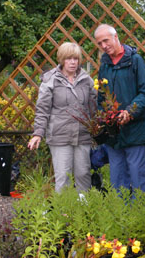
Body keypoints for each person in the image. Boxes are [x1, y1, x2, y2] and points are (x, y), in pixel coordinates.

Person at [27, 42, 97, 193]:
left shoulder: (86, 80)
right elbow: (42, 109)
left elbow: (94, 108)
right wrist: (38, 133)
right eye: (68, 59)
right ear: (61, 59)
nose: (72, 62)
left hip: (82, 135)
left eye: (75, 59)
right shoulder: (51, 80)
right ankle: (62, 213)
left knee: (83, 175)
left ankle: (83, 212)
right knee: (63, 177)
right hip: (60, 135)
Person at [94, 24, 145, 193]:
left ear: (115, 37)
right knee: (117, 178)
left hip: (135, 131)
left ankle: (140, 216)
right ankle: (120, 216)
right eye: (100, 43)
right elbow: (101, 98)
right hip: (114, 134)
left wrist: (129, 111)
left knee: (137, 177)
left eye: (106, 40)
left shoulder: (135, 61)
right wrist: (103, 120)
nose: (104, 46)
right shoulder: (104, 65)